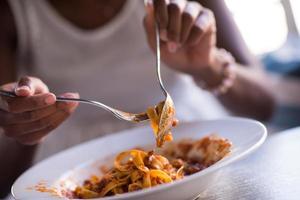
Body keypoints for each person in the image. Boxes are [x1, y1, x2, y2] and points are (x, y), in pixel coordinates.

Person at [0, 0, 274, 197]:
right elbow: (4, 179)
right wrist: (27, 125)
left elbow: (265, 102)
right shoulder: (11, 11)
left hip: (198, 142)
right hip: (61, 164)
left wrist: (208, 65)